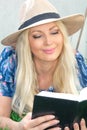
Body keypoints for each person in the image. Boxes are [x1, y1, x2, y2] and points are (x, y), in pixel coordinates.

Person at [0, 0, 86, 129]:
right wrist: (19, 127)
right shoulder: (11, 59)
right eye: (37, 36)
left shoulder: (75, 60)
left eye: (54, 32)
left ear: (62, 35)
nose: (48, 42)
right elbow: (1, 117)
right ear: (26, 42)